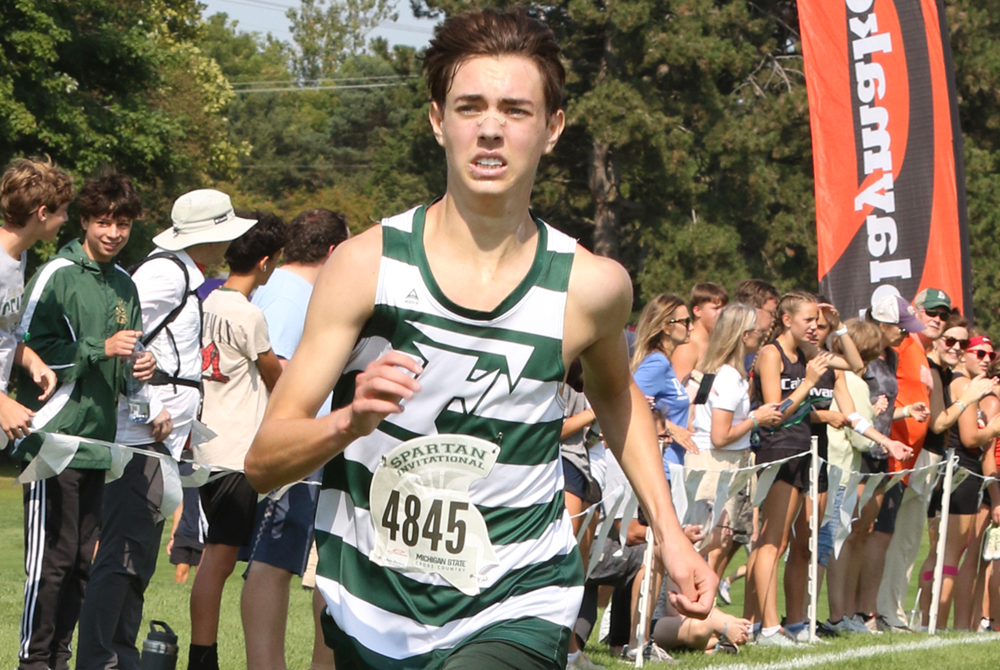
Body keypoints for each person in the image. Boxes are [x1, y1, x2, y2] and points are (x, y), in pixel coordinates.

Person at [245, 8, 716, 670]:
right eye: (470, 107)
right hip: (374, 606)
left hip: (518, 599)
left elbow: (617, 398)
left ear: (552, 129)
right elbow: (264, 460)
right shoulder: (365, 266)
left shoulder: (593, 286)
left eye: (515, 110)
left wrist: (669, 532)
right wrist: (349, 422)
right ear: (438, 120)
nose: (491, 128)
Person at [76, 188, 258, 670]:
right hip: (140, 440)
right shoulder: (165, 273)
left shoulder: (180, 272)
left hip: (159, 441)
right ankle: (102, 659)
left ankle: (121, 654)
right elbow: (127, 336)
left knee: (138, 558)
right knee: (122, 556)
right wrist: (149, 404)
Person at [13, 173, 154, 670]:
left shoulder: (125, 285)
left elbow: (125, 370)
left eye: (123, 223)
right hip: (53, 437)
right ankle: (33, 663)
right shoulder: (56, 273)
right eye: (103, 222)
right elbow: (18, 347)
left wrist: (140, 369)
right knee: (51, 564)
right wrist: (99, 349)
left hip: (101, 440)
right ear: (84, 222)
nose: (113, 232)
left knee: (81, 565)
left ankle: (61, 658)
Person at [240, 208, 349, 670]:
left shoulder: (288, 289)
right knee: (273, 561)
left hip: (314, 448)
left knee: (328, 568)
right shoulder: (290, 296)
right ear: (332, 250)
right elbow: (278, 376)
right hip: (293, 450)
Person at [188, 212, 285, 670]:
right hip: (235, 451)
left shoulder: (204, 303)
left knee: (216, 555)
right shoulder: (249, 315)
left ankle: (202, 653)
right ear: (264, 263)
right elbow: (275, 377)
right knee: (220, 559)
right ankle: (202, 656)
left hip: (204, 444)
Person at [743, 290, 863, 645]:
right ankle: (766, 627)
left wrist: (839, 329)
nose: (814, 328)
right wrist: (809, 383)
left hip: (804, 452)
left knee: (801, 542)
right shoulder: (771, 353)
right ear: (786, 320)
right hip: (778, 451)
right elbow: (773, 412)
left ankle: (795, 623)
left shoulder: (807, 352)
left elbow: (855, 367)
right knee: (773, 541)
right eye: (808, 320)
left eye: (817, 321)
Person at [819, 318, 912, 635]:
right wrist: (874, 418)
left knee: (849, 537)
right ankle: (839, 613)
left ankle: (844, 613)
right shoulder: (852, 381)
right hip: (846, 467)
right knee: (840, 540)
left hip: (849, 467)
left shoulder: (847, 378)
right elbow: (859, 434)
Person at [876, 288, 955, 631]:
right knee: (880, 536)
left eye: (943, 315)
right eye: (931, 313)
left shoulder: (922, 353)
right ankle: (870, 611)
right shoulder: (901, 345)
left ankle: (892, 611)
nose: (937, 319)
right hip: (891, 456)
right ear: (915, 313)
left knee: (907, 539)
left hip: (916, 458)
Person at [685, 303, 781, 578]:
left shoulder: (711, 368)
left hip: (712, 461)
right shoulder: (728, 377)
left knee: (716, 538)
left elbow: (693, 419)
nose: (761, 335)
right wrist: (756, 419)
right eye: (756, 330)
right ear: (742, 334)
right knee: (707, 539)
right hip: (716, 464)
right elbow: (719, 436)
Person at [853, 295, 929, 632]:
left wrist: (905, 412)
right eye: (901, 328)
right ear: (882, 325)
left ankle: (867, 612)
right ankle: (850, 612)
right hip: (862, 454)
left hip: (887, 456)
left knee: (880, 533)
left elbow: (882, 411)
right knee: (859, 533)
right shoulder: (862, 357)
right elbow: (857, 403)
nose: (905, 335)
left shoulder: (894, 353)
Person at [931, 333, 1000, 629]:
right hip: (964, 473)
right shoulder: (964, 385)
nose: (986, 359)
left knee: (968, 556)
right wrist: (995, 428)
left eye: (990, 355)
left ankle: (965, 625)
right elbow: (975, 439)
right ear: (963, 355)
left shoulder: (970, 386)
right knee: (960, 555)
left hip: (971, 475)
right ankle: (948, 624)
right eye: (979, 353)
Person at [0, 158, 70, 443]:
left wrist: (32, 362)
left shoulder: (17, 257)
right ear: (42, 213)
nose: (65, 219)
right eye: (63, 212)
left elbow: (4, 334)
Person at [631, 293, 698, 474]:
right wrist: (670, 428)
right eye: (685, 322)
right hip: (658, 467)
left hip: (671, 465)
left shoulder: (664, 362)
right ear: (666, 328)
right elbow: (628, 401)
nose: (691, 326)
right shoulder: (657, 363)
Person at [672, 282, 728, 385]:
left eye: (724, 309)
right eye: (716, 308)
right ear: (697, 311)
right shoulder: (687, 346)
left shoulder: (718, 343)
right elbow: (679, 393)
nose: (722, 314)